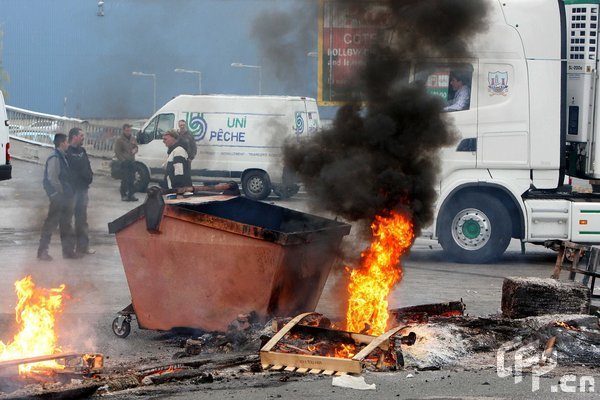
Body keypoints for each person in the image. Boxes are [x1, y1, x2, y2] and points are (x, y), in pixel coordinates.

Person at [37, 133, 78, 261]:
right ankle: (42, 252)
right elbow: (52, 178)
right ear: (61, 143)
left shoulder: (62, 156)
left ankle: (68, 251)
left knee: (66, 224)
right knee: (50, 224)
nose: (68, 144)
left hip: (65, 197)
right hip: (58, 197)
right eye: (67, 142)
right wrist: (59, 193)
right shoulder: (54, 157)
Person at [66, 127, 95, 256]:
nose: (83, 138)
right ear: (74, 136)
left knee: (82, 219)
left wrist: (89, 177)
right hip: (71, 192)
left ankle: (83, 247)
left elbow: (87, 166)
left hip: (83, 190)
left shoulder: (82, 151)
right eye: (81, 135)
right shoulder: (66, 152)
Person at [114, 123, 139, 201]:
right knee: (125, 179)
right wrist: (123, 160)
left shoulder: (133, 138)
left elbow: (136, 147)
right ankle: (124, 195)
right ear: (124, 130)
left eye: (130, 130)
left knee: (132, 179)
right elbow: (117, 151)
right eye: (127, 130)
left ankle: (131, 194)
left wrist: (135, 149)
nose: (129, 132)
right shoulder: (120, 139)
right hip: (124, 162)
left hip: (132, 161)